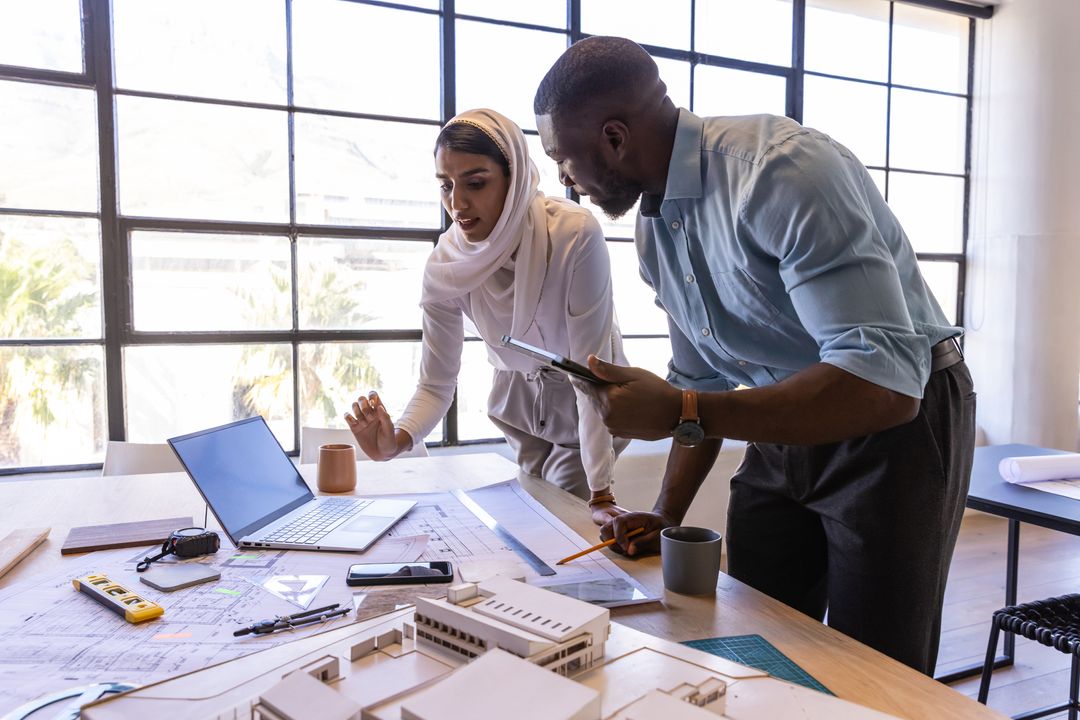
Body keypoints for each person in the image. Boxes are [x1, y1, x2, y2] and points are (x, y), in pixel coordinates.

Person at [532, 36, 975, 675]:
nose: (563, 180)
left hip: (897, 423)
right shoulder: (655, 227)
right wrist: (664, 514)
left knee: (876, 668)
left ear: (614, 137)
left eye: (561, 159)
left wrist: (683, 408)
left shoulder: (781, 170)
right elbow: (701, 377)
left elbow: (881, 384)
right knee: (756, 640)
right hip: (788, 415)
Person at [344, 108, 628, 525]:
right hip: (517, 400)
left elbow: (590, 375)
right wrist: (396, 442)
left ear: (512, 177)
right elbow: (436, 383)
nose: (457, 204)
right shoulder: (447, 263)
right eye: (445, 186)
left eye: (475, 183)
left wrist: (602, 492)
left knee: (565, 523)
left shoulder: (571, 234)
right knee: (531, 525)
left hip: (586, 393)